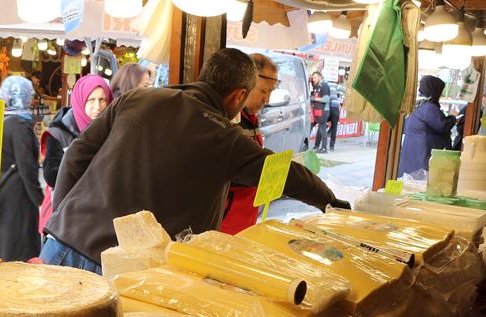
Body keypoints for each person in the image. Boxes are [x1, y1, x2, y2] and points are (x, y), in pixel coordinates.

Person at [40, 48, 347, 274]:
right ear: (238, 96)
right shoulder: (226, 138)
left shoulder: (137, 99)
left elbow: (76, 156)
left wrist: (62, 222)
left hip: (62, 247)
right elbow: (290, 176)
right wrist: (330, 201)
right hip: (121, 272)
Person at [0, 76, 44, 262]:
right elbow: (27, 167)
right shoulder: (19, 124)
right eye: (30, 95)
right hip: (14, 200)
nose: (32, 98)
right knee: (13, 250)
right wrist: (39, 199)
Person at [39, 75, 112, 235]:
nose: (97, 107)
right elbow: (51, 176)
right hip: (63, 219)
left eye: (102, 99)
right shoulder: (59, 133)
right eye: (91, 100)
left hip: (97, 220)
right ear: (80, 101)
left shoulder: (112, 131)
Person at [220, 53, 278, 235]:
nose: (266, 99)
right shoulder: (226, 121)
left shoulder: (252, 119)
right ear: (245, 84)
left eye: (271, 92)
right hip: (224, 227)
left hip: (246, 222)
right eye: (263, 91)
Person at [399, 75, 456, 177]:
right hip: (423, 158)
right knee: (420, 186)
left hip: (413, 156)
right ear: (434, 90)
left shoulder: (416, 105)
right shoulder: (428, 108)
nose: (440, 94)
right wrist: (453, 117)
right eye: (439, 91)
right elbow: (443, 125)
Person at [310, 71, 331, 153]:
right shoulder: (316, 86)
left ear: (319, 77)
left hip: (323, 111)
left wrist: (314, 99)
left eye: (315, 78)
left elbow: (326, 99)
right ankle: (316, 146)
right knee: (315, 128)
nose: (313, 79)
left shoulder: (324, 86)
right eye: (313, 78)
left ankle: (324, 148)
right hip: (316, 111)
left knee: (322, 129)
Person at [327, 86, 341, 152]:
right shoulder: (337, 86)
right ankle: (332, 146)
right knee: (334, 127)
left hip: (329, 107)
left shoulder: (325, 84)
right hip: (336, 108)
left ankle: (329, 130)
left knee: (323, 123)